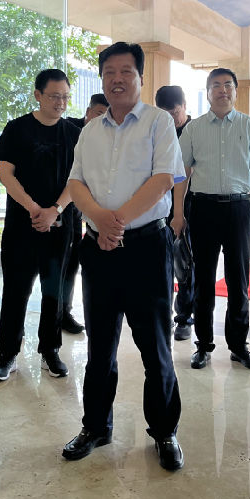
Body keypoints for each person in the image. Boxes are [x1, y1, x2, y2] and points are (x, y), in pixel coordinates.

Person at [62, 42, 186, 471]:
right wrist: (99, 220)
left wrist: (117, 223)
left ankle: (164, 432)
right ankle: (95, 426)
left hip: (146, 248)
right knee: (100, 346)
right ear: (102, 79)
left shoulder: (158, 122)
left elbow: (163, 178)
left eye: (126, 72)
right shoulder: (90, 130)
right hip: (98, 250)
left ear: (140, 78)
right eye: (109, 72)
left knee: (155, 347)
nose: (117, 79)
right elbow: (75, 183)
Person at [172, 68, 250, 371]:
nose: (222, 90)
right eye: (216, 85)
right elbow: (182, 174)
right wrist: (178, 213)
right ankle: (203, 346)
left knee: (238, 281)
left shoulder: (249, 126)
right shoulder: (194, 129)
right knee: (203, 281)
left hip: (239, 209)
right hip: (202, 209)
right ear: (207, 93)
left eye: (228, 85)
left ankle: (239, 346)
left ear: (235, 91)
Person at [0, 69, 81, 382]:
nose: (60, 103)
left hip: (59, 225)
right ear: (38, 95)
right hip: (21, 225)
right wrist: (33, 208)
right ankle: (8, 354)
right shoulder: (17, 129)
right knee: (15, 290)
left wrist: (55, 210)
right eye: (54, 96)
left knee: (54, 291)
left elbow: (78, 180)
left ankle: (50, 350)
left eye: (65, 97)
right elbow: (6, 174)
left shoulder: (74, 133)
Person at [61, 92, 110, 333]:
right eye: (99, 113)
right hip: (58, 203)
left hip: (80, 211)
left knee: (72, 262)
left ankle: (65, 312)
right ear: (88, 112)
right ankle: (54, 313)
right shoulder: (69, 130)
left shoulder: (107, 135)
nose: (102, 119)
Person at [154, 84, 195, 341]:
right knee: (162, 265)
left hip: (189, 207)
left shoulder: (194, 131)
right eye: (165, 113)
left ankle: (184, 318)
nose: (170, 118)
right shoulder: (158, 130)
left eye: (174, 112)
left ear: (184, 107)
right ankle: (163, 315)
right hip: (160, 207)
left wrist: (180, 213)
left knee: (185, 265)